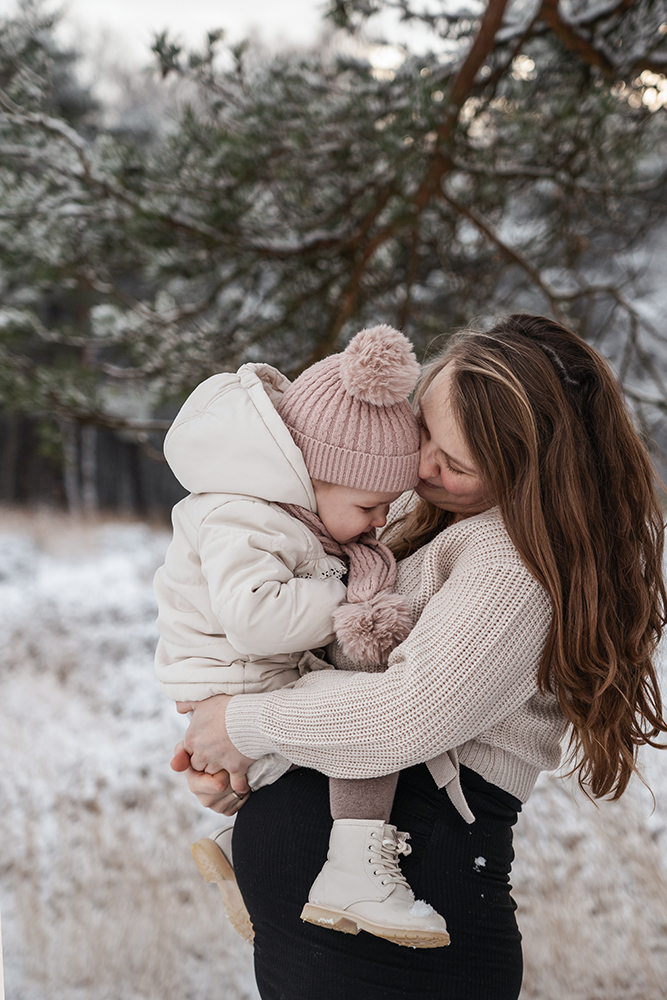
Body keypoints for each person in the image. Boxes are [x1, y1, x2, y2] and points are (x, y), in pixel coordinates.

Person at [173, 313, 667, 1000]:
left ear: (530, 470)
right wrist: (245, 761)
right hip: (336, 930)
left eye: (455, 463)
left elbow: (405, 716)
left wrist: (243, 724)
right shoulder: (419, 512)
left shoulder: (513, 566)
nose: (421, 462)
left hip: (405, 922)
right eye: (423, 429)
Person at [155, 324, 451, 949]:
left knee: (287, 767)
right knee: (361, 715)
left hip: (242, 679)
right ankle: (355, 868)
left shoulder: (287, 512)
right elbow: (254, 617)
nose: (380, 523)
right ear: (313, 475)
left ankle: (244, 851)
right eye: (370, 507)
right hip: (240, 677)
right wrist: (348, 597)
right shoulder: (245, 515)